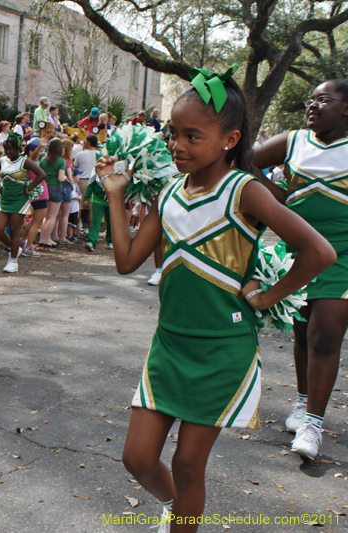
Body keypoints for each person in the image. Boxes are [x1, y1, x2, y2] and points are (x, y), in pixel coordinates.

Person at [97, 67, 334, 532]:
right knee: (137, 458)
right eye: (172, 134)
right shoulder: (168, 194)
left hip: (223, 349)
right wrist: (115, 195)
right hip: (169, 346)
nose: (177, 145)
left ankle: (185, 521)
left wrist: (268, 297)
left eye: (192, 136)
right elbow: (127, 262)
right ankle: (177, 508)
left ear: (229, 140)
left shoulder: (245, 190)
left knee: (188, 465)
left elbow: (319, 251)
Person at [253, 79, 348, 459]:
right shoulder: (292, 141)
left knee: (325, 337)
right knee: (303, 330)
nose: (313, 105)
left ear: (346, 109)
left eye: (324, 99)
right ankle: (304, 400)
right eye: (311, 100)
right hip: (298, 255)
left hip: (343, 257)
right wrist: (278, 201)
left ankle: (313, 424)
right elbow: (246, 162)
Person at [0, 136, 46, 273]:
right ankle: (16, 248)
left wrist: (29, 189)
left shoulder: (25, 161)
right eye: (6, 149)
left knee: (15, 231)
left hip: (19, 200)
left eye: (11, 149)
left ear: (18, 148)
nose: (8, 152)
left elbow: (41, 174)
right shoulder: (3, 160)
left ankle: (13, 261)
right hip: (4, 199)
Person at [37, 138, 67, 247]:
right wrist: (65, 177)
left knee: (45, 217)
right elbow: (60, 178)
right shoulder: (61, 161)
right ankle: (47, 239)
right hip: (56, 188)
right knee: (52, 216)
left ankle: (41, 239)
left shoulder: (43, 160)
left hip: (44, 188)